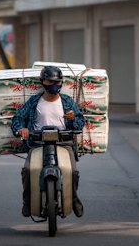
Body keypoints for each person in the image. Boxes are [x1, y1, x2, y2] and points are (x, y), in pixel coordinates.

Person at [11, 65, 85, 218]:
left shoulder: (67, 101)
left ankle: (74, 197)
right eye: (50, 82)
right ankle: (27, 201)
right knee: (27, 171)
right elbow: (17, 118)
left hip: (64, 143)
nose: (54, 85)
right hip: (38, 143)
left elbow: (80, 122)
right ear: (42, 81)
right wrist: (21, 129)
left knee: (73, 171)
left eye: (57, 82)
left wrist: (74, 119)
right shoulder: (34, 101)